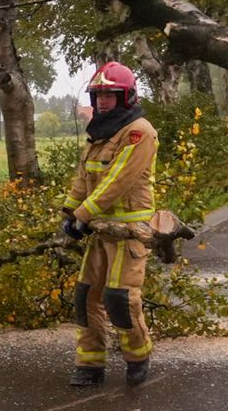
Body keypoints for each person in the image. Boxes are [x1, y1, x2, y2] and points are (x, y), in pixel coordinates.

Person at [61, 61, 158, 387]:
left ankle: (138, 357)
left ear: (126, 96)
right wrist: (69, 213)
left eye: (110, 95)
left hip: (130, 232)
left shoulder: (138, 132)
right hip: (99, 231)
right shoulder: (98, 134)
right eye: (98, 95)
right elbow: (83, 179)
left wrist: (82, 215)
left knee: (120, 296)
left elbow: (117, 181)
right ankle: (90, 364)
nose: (102, 101)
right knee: (86, 295)